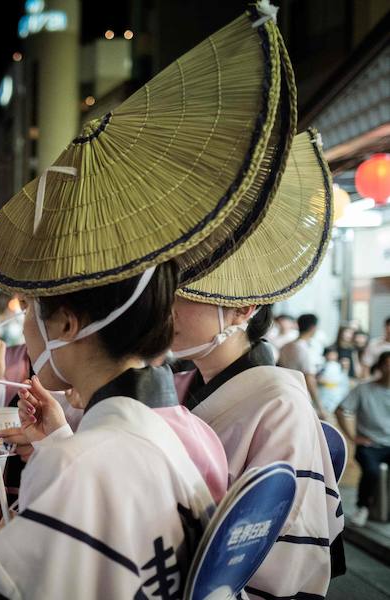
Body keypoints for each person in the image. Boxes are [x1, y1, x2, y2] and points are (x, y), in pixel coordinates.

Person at [0, 6, 295, 593]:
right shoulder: (161, 434)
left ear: (68, 322)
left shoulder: (89, 463)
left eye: (31, 312)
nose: (26, 333)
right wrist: (57, 443)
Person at [172, 129, 344, 597]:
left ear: (243, 309)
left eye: (187, 295)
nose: (169, 309)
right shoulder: (185, 382)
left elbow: (284, 562)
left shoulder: (280, 401)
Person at [336, 351, 390, 527]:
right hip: (370, 444)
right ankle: (363, 507)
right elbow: (341, 409)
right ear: (381, 366)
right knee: (371, 471)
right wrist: (353, 437)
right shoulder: (364, 389)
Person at [278, 313, 327, 418]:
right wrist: (319, 406)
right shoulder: (304, 349)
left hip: (286, 392)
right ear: (313, 328)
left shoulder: (285, 346)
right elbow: (309, 378)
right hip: (302, 395)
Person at [319, 348, 351, 415]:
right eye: (331, 354)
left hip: (335, 391)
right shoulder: (322, 364)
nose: (332, 356)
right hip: (323, 391)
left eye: (334, 354)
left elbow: (343, 380)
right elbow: (318, 378)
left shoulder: (338, 366)